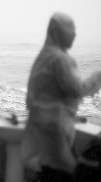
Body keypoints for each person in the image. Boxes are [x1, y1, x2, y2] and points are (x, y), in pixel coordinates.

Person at [21, 12, 101, 181]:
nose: (74, 34)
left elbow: (31, 100)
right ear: (56, 32)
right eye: (70, 29)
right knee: (62, 174)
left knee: (48, 174)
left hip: (40, 131)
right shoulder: (60, 59)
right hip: (56, 132)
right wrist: (98, 77)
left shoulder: (42, 58)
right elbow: (78, 89)